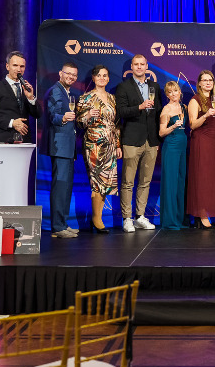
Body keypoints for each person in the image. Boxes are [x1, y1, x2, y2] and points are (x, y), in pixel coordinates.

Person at [115, 54, 162, 232]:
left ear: (147, 66)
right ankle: (127, 218)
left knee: (145, 181)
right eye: (136, 64)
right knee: (128, 182)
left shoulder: (154, 86)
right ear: (132, 67)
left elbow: (157, 113)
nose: (139, 67)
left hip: (151, 141)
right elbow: (121, 112)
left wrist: (156, 140)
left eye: (142, 64)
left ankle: (140, 216)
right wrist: (140, 107)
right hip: (131, 140)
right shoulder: (123, 87)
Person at [76, 65, 121, 234]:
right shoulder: (85, 98)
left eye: (105, 75)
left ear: (108, 79)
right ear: (93, 78)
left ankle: (97, 217)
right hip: (93, 144)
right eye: (99, 75)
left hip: (110, 144)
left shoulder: (112, 98)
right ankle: (97, 219)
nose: (102, 78)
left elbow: (116, 124)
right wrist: (87, 116)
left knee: (106, 182)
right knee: (97, 181)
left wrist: (117, 144)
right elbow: (79, 123)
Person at [45, 62, 79, 239]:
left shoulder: (67, 93)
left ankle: (63, 224)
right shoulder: (56, 91)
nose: (71, 77)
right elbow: (53, 115)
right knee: (60, 187)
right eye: (68, 73)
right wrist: (63, 117)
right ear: (60, 73)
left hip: (67, 148)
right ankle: (58, 227)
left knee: (65, 187)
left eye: (74, 75)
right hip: (60, 146)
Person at [187, 71, 215, 229]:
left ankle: (205, 211)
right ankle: (201, 214)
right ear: (199, 83)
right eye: (205, 80)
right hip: (201, 141)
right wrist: (206, 115)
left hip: (213, 144)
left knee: (210, 179)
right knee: (201, 178)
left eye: (210, 80)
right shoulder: (195, 100)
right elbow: (192, 125)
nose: (208, 83)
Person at [0, 51, 41, 143]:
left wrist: (31, 98)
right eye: (15, 65)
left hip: (24, 141)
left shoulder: (26, 88)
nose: (19, 69)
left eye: (22, 66)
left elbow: (38, 114)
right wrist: (12, 123)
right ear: (7, 66)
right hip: (4, 141)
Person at [158, 81, 188, 230]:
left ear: (179, 92)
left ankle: (179, 219)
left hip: (182, 146)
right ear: (167, 94)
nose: (173, 94)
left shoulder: (184, 107)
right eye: (170, 92)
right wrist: (173, 126)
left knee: (180, 181)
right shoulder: (166, 109)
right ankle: (169, 221)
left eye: (175, 91)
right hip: (171, 146)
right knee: (170, 182)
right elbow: (161, 132)